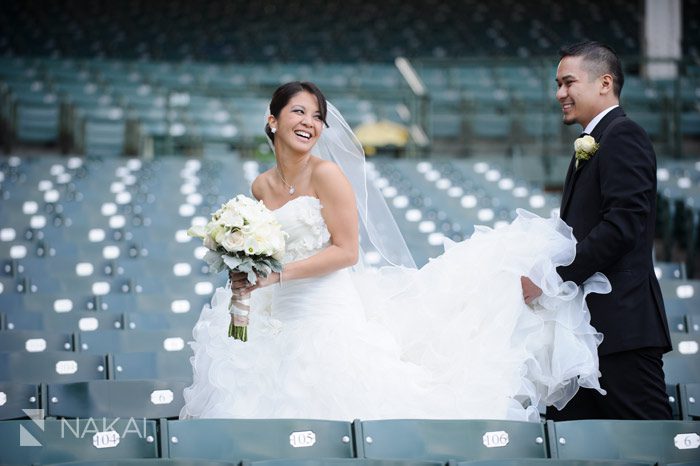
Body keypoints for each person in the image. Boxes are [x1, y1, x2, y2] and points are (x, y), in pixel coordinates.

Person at [180, 81, 609, 422]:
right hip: (274, 314)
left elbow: (346, 252)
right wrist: (245, 285)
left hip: (324, 309)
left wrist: (276, 276)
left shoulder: (327, 175)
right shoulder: (259, 186)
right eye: (299, 111)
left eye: (318, 116)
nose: (310, 122)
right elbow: (262, 253)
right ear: (272, 121)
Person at [522, 41, 672, 420]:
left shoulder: (623, 136)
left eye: (568, 82)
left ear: (604, 82)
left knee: (650, 441)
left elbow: (622, 227)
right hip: (583, 335)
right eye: (557, 84)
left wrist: (551, 278)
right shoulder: (596, 141)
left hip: (619, 330)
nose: (560, 94)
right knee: (572, 446)